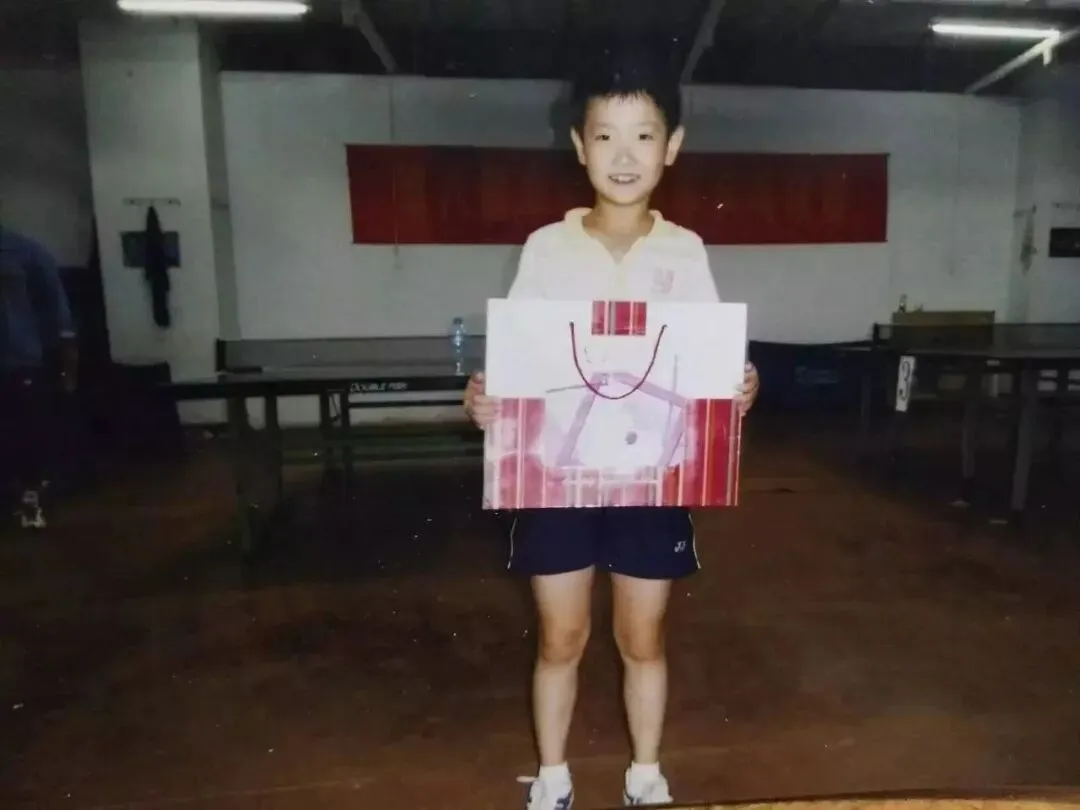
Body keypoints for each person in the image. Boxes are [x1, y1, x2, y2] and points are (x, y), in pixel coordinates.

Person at [463, 48, 760, 810]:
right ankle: (553, 778)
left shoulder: (686, 252)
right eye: (605, 136)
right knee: (560, 639)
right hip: (557, 480)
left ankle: (644, 776)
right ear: (578, 145)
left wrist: (738, 388)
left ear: (672, 146)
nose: (624, 156)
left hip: (653, 482)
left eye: (643, 136)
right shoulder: (545, 248)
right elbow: (516, 367)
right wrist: (488, 402)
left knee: (642, 640)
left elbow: (708, 367)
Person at [0, 211, 78, 530]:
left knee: (26, 436)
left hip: (20, 360)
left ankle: (30, 500)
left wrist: (68, 366)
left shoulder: (25, 252)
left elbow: (59, 314)